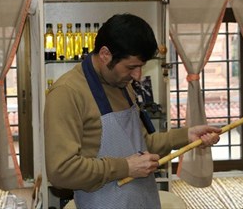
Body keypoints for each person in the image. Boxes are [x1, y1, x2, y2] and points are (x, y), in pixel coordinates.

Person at [44, 13, 221, 209]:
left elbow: (142, 145)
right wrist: (125, 167)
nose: (137, 76)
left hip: (144, 199)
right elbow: (61, 171)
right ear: (105, 55)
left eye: (141, 67)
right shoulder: (67, 93)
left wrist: (187, 136)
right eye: (132, 67)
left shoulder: (122, 84)